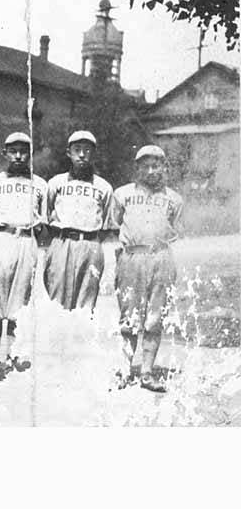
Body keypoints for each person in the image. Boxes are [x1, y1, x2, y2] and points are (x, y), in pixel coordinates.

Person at [110, 145, 183, 393]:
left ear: (164, 167)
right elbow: (115, 224)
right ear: (137, 168)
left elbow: (174, 227)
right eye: (146, 166)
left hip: (161, 258)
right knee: (129, 317)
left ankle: (147, 372)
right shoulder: (122, 194)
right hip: (132, 257)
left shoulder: (174, 199)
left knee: (155, 318)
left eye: (156, 165)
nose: (151, 171)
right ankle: (124, 370)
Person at [0, 132, 47, 387]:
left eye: (24, 151)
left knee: (19, 308)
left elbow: (43, 223)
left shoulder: (40, 184)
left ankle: (11, 361)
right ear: (4, 153)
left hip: (26, 240)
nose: (18, 156)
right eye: (13, 151)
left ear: (30, 154)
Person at [44, 131, 114, 312]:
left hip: (90, 245)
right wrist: (61, 238)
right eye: (77, 150)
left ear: (94, 153)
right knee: (56, 302)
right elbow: (47, 216)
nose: (82, 155)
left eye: (87, 150)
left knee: (85, 304)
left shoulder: (104, 187)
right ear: (69, 153)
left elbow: (107, 224)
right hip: (62, 243)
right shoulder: (55, 183)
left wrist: (89, 239)